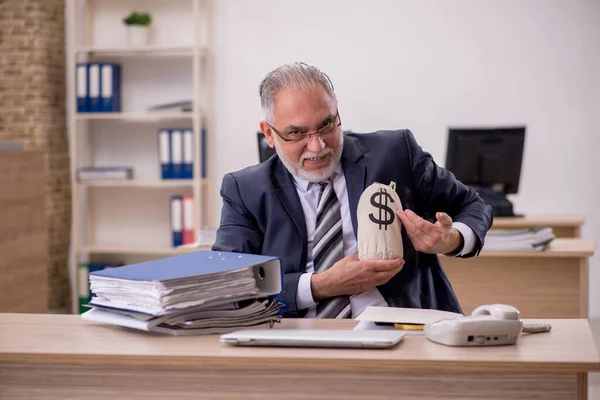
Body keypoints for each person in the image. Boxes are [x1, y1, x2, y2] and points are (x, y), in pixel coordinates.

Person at [212, 62, 493, 318]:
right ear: (269, 134)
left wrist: (453, 239)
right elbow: (230, 284)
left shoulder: (395, 153)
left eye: (326, 125)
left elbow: (473, 205)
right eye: (297, 133)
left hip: (406, 332)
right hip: (299, 344)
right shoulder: (245, 190)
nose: (318, 146)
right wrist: (320, 286)